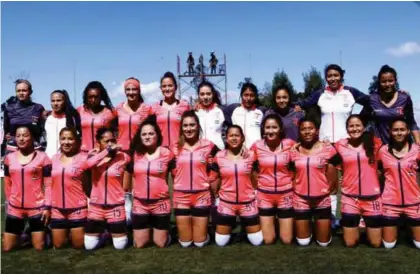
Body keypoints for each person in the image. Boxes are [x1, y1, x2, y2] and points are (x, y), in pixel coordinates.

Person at [295, 64, 371, 227]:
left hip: (347, 143)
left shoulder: (350, 92)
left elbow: (371, 101)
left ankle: (361, 216)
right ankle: (330, 217)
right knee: (330, 183)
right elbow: (303, 103)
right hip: (326, 144)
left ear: (341, 76)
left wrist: (360, 120)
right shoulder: (320, 94)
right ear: (326, 78)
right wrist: (291, 105)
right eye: (329, 76)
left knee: (354, 180)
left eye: (336, 75)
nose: (333, 78)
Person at [49, 127, 116, 249]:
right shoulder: (54, 158)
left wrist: (107, 150)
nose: (66, 142)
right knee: (58, 245)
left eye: (70, 139)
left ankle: (104, 234)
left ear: (77, 141)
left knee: (78, 245)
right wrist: (48, 205)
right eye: (63, 139)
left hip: (77, 209)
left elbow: (95, 160)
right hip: (57, 209)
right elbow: (49, 184)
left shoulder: (84, 157)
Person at [171, 111, 219, 248]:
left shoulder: (208, 145)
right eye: (185, 125)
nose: (189, 128)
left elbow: (222, 160)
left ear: (198, 126)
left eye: (192, 125)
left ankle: (205, 232)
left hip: (201, 195)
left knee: (199, 243)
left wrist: (209, 180)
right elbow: (169, 167)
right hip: (181, 196)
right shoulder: (175, 147)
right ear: (181, 128)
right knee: (185, 244)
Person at [333, 115, 382, 248]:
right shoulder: (340, 145)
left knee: (376, 243)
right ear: (347, 129)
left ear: (363, 126)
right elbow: (321, 149)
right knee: (350, 243)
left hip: (372, 198)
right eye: (351, 126)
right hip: (350, 198)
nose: (355, 129)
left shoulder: (375, 143)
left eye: (358, 125)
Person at [289, 117, 339, 247]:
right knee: (303, 242)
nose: (307, 132)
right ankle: (307, 229)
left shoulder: (328, 149)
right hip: (301, 199)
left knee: (324, 243)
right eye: (303, 129)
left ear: (316, 130)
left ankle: (321, 227)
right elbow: (291, 173)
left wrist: (330, 189)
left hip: (321, 199)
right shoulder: (293, 150)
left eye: (310, 128)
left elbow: (334, 170)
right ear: (299, 132)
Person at [210, 125, 263, 247]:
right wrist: (216, 197)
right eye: (231, 135)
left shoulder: (251, 155)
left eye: (237, 135)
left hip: (247, 203)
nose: (234, 138)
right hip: (227, 203)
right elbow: (216, 178)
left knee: (257, 241)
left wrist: (255, 193)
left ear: (243, 138)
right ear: (226, 138)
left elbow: (255, 176)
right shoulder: (219, 156)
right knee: (220, 242)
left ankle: (246, 228)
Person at [3, 125, 51, 252]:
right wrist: (10, 201)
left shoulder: (43, 157)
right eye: (18, 136)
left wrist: (47, 207)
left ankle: (46, 232)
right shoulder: (9, 158)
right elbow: (7, 182)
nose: (21, 139)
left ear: (32, 138)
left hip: (37, 208)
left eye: (25, 135)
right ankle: (25, 235)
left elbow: (48, 184)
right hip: (15, 208)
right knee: (7, 248)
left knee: (39, 247)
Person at [128, 118, 174, 248]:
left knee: (160, 243)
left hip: (160, 203)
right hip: (140, 203)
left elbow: (177, 173)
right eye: (144, 134)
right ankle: (149, 227)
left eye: (151, 133)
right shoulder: (135, 154)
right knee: (140, 244)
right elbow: (130, 173)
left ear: (157, 135)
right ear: (140, 137)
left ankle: (166, 232)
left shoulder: (167, 153)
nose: (147, 137)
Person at [250, 114, 295, 245]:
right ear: (263, 129)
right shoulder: (256, 146)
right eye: (267, 127)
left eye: (274, 127)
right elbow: (251, 168)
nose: (270, 131)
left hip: (285, 194)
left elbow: (298, 165)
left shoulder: (290, 144)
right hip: (265, 195)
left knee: (286, 240)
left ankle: (282, 223)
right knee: (268, 240)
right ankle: (272, 224)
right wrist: (255, 187)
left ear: (280, 129)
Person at [84, 128, 131, 250]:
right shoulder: (92, 156)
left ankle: (114, 232)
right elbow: (87, 165)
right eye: (106, 141)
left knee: (120, 246)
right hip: (96, 206)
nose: (110, 144)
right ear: (98, 143)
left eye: (112, 140)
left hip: (115, 206)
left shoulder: (123, 157)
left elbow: (132, 174)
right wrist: (106, 152)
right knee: (89, 246)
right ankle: (105, 234)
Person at [378, 118, 420, 249]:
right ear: (390, 132)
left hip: (414, 203)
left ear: (408, 131)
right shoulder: (383, 151)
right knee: (388, 245)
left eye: (402, 129)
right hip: (390, 204)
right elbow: (378, 173)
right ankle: (404, 225)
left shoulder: (417, 150)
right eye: (395, 130)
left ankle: (409, 227)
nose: (399, 133)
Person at [115, 77, 151, 226]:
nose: (131, 92)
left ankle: (141, 217)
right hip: (122, 152)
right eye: (128, 89)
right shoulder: (117, 109)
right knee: (123, 188)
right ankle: (126, 217)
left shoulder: (147, 109)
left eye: (134, 89)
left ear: (139, 90)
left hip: (140, 153)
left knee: (139, 186)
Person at [360, 65, 420, 145]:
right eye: (383, 81)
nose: (387, 84)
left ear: (395, 80)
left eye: (390, 81)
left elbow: (411, 123)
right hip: (380, 149)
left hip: (403, 148)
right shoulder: (372, 99)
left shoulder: (404, 98)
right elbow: (361, 122)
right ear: (379, 82)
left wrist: (418, 143)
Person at [2, 80, 47, 155]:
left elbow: (43, 130)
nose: (21, 93)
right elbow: (6, 130)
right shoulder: (9, 108)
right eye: (18, 91)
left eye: (24, 90)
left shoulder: (38, 108)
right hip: (13, 149)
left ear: (30, 92)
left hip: (34, 149)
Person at [151, 72, 190, 149]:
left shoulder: (185, 106)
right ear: (161, 88)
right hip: (161, 152)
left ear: (176, 87)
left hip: (180, 151)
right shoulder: (154, 107)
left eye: (170, 86)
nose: (167, 89)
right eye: (164, 86)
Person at [77, 81, 116, 152]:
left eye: (96, 97)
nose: (93, 100)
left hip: (103, 154)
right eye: (90, 97)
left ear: (101, 97)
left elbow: (118, 131)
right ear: (86, 97)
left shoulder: (111, 112)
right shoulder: (80, 110)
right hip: (84, 153)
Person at [224, 83, 266, 149]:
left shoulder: (261, 111)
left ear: (255, 97)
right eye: (246, 95)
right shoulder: (233, 109)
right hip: (237, 152)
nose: (248, 98)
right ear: (241, 95)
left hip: (256, 152)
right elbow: (218, 110)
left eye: (252, 95)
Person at [44, 90, 81, 158]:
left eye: (58, 100)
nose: (55, 103)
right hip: (48, 159)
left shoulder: (72, 119)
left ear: (64, 101)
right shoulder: (47, 119)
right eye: (53, 101)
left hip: (66, 160)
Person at [194, 81, 225, 150]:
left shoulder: (220, 111)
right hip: (199, 153)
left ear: (213, 94)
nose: (205, 97)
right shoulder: (195, 113)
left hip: (218, 151)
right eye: (202, 94)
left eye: (208, 94)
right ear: (198, 95)